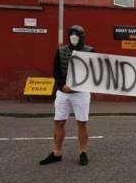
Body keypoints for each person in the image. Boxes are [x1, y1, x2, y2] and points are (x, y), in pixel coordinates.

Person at [39, 25, 95, 166]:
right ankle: (56, 152)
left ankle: (83, 152)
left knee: (82, 123)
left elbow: (94, 73)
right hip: (63, 92)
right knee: (59, 121)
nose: (74, 38)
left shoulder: (90, 51)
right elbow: (56, 70)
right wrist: (62, 85)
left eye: (77, 35)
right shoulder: (61, 50)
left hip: (80, 94)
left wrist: (77, 86)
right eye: (71, 35)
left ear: (82, 37)